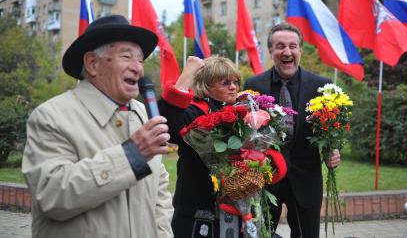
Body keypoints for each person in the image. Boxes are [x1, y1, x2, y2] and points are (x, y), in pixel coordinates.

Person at [22, 15, 174, 238]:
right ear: (92, 64)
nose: (138, 69)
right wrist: (132, 155)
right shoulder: (51, 116)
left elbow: (160, 196)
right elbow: (52, 195)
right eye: (126, 56)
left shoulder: (143, 114)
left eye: (140, 60)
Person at [244, 23, 341, 238]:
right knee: (261, 235)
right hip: (267, 179)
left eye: (292, 46)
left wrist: (334, 150)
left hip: (306, 179)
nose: (287, 52)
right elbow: (244, 131)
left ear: (300, 50)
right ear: (271, 51)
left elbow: (333, 128)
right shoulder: (253, 84)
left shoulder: (321, 86)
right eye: (280, 46)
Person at [159, 56, 242, 238]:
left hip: (234, 202)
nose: (233, 87)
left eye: (236, 82)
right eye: (225, 82)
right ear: (207, 85)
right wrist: (187, 75)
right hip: (196, 200)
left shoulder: (244, 109)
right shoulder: (194, 110)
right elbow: (168, 124)